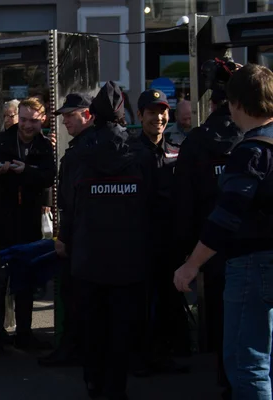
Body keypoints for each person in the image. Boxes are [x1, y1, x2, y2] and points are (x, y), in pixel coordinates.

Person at [174, 64, 273, 400]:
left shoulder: (249, 152)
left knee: (247, 364)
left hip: (252, 263)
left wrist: (191, 264)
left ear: (235, 104)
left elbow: (226, 217)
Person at [58, 80, 154, 400]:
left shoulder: (78, 155)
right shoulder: (140, 152)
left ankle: (94, 383)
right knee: (121, 327)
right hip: (129, 259)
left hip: (88, 258)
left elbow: (68, 208)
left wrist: (67, 241)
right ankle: (116, 387)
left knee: (92, 325)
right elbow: (154, 205)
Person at [173, 58, 242, 399]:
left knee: (220, 313)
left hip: (209, 245)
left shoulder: (196, 142)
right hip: (250, 244)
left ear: (211, 104)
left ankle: (224, 375)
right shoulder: (255, 138)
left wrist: (188, 250)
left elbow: (183, 202)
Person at [0, 97, 56, 354]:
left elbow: (48, 176)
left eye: (33, 121)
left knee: (24, 282)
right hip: (0, 223)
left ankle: (24, 333)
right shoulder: (0, 141)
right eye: (23, 119)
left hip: (27, 224)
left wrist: (25, 170)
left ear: (42, 120)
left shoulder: (45, 146)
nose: (26, 126)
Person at [134, 89, 190, 376]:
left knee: (168, 299)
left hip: (169, 242)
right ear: (139, 115)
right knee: (141, 301)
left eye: (163, 111)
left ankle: (164, 352)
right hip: (140, 241)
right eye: (152, 112)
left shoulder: (177, 151)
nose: (159, 117)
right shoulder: (130, 152)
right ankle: (141, 356)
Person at [39, 92, 94, 368]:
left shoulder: (82, 152)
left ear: (87, 115)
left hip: (82, 240)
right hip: (87, 237)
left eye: (70, 116)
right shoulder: (87, 147)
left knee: (76, 298)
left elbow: (73, 201)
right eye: (62, 117)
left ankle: (74, 349)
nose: (64, 122)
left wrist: (63, 237)